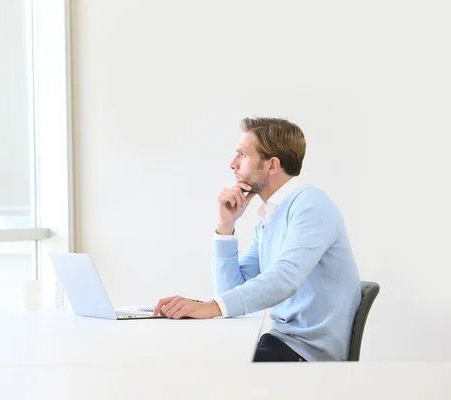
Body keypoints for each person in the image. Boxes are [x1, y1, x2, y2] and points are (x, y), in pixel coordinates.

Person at [152, 117, 361, 362]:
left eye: (242, 154)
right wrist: (225, 227)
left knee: (195, 364)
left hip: (306, 357)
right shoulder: (269, 218)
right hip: (281, 345)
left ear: (272, 165)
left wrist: (210, 307)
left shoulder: (310, 204)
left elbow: (285, 278)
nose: (232, 164)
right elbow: (231, 293)